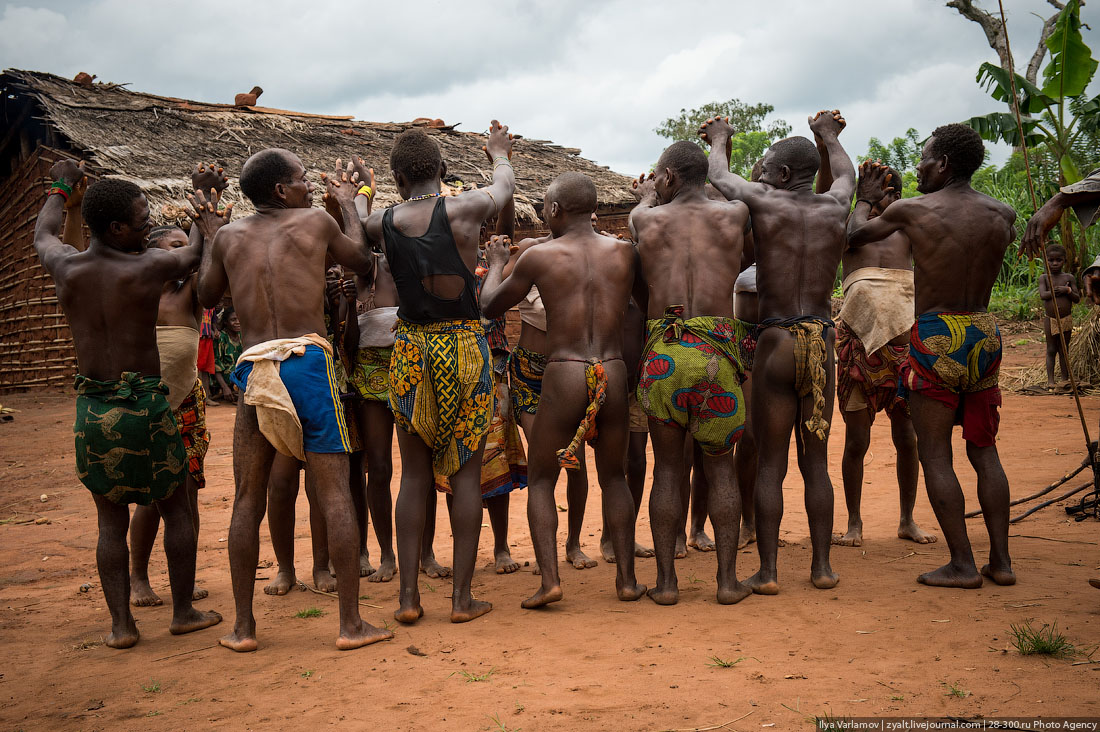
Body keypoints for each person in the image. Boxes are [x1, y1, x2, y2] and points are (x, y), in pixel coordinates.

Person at [199, 148, 391, 651]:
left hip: (255, 368)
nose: (310, 186)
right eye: (303, 180)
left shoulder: (229, 237)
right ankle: (350, 625)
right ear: (282, 191)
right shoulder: (314, 222)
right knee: (334, 493)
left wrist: (210, 232)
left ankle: (243, 629)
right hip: (308, 364)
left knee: (247, 497)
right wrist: (349, 204)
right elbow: (364, 265)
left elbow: (206, 293)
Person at [33, 158, 222, 647]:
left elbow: (44, 232)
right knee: (177, 510)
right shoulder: (151, 266)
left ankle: (121, 626)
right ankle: (183, 613)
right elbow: (198, 252)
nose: (146, 228)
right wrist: (206, 201)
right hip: (147, 408)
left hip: (94, 412)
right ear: (115, 227)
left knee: (109, 521)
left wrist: (61, 187)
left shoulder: (65, 266)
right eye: (140, 222)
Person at [846, 124, 1017, 589]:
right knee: (984, 450)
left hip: (936, 334)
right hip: (983, 332)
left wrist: (862, 198)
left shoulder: (912, 211)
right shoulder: (1002, 212)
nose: (918, 167)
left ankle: (962, 563)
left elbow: (851, 240)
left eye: (923, 158)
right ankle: (1000, 562)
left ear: (942, 164)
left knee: (936, 454)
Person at [360, 122, 516, 624]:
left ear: (398, 177)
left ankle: (408, 599)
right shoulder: (467, 207)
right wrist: (497, 153)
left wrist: (351, 196)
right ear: (442, 170)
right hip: (465, 349)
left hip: (410, 353)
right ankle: (462, 599)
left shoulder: (380, 223)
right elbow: (505, 188)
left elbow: (354, 234)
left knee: (413, 476)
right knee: (466, 476)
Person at [700, 111, 856, 593]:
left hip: (777, 340)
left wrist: (721, 137)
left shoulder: (767, 202)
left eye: (765, 168)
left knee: (770, 461)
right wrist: (829, 136)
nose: (760, 175)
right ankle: (822, 568)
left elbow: (719, 176)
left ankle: (768, 573)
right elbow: (847, 174)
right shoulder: (835, 206)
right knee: (817, 463)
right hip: (821, 339)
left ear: (783, 177)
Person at [481, 171, 647, 608]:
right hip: (611, 369)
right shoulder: (626, 253)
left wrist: (497, 264)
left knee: (541, 479)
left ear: (555, 210)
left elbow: (489, 305)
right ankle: (627, 581)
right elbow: (644, 308)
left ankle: (550, 582)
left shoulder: (542, 257)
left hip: (564, 370)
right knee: (614, 477)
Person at [628, 141, 753, 606]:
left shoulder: (645, 219)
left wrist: (645, 196)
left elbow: (639, 271)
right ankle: (726, 582)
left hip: (665, 351)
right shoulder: (736, 215)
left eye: (659, 176)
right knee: (721, 469)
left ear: (669, 178)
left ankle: (664, 584)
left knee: (667, 469)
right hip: (717, 350)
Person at [829, 165, 936, 548]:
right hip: (857, 343)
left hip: (905, 344)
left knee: (907, 436)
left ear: (898, 200)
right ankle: (854, 522)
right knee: (857, 439)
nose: (880, 205)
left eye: (888, 196)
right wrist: (864, 200)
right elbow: (847, 234)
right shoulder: (849, 228)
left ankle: (907, 519)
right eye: (874, 196)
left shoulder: (907, 231)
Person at [732, 262, 759, 548]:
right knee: (749, 434)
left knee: (774, 438)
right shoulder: (738, 235)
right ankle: (747, 522)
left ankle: (761, 522)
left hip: (782, 332)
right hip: (746, 337)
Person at [1037, 244, 1080, 391]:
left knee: (1064, 349)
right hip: (1051, 319)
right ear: (1046, 261)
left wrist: (1067, 290)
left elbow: (1077, 298)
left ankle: (1064, 379)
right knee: (1051, 349)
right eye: (1051, 260)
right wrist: (1058, 291)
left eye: (1059, 260)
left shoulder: (1069, 277)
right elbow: (1043, 295)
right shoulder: (1044, 278)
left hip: (1066, 319)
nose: (1055, 263)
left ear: (1065, 261)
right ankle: (1050, 381)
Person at [214, 308, 243, 403]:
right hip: (227, 378)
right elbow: (216, 364)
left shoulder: (243, 336)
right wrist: (225, 388)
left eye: (239, 319)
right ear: (226, 322)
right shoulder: (221, 338)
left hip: (242, 375)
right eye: (233, 320)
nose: (237, 322)